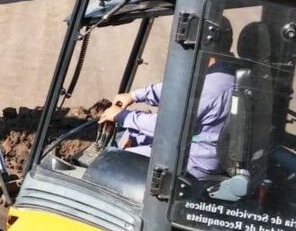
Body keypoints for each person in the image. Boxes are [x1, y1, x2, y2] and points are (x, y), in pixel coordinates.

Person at [98, 19, 235, 178]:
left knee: (111, 163)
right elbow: (179, 90)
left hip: (193, 161)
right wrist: (135, 95)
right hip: (197, 147)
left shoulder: (212, 85)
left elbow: (168, 127)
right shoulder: (221, 71)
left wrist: (123, 116)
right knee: (134, 135)